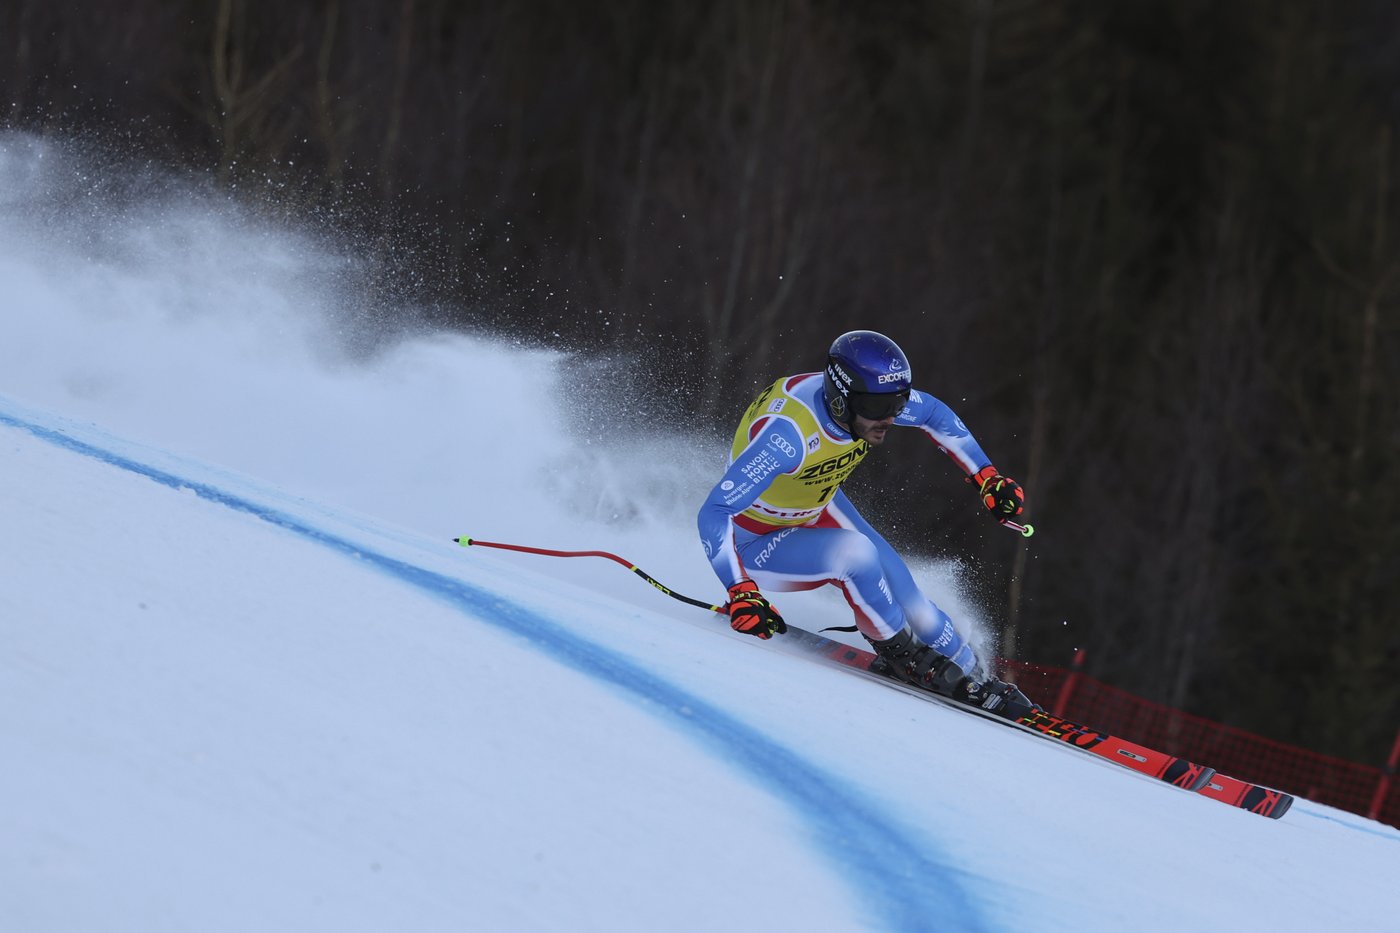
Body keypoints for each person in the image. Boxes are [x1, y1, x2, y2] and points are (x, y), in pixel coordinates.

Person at [696, 330, 1032, 715]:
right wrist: (741, 590)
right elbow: (714, 511)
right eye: (877, 408)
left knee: (916, 606)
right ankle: (901, 655)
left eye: (898, 403)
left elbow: (935, 414)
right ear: (841, 400)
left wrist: (987, 477)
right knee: (857, 556)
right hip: (755, 541)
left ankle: (975, 675)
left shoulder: (869, 400)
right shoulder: (787, 437)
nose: (889, 417)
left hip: (816, 505)